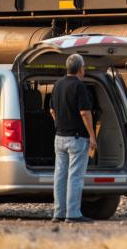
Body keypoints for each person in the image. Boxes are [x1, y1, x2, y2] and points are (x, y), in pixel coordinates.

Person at [49, 53, 97, 223]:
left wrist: (60, 124)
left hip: (59, 138)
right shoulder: (79, 86)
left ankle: (59, 213)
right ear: (80, 68)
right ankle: (73, 214)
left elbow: (52, 111)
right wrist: (92, 135)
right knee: (75, 176)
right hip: (77, 139)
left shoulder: (57, 85)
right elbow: (84, 112)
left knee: (60, 176)